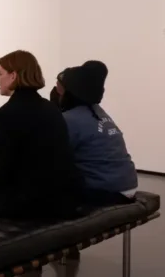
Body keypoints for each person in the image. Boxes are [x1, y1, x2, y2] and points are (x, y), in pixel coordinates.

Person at [0, 50, 82, 220]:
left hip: (31, 205)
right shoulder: (51, 109)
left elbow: (0, 169)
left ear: (13, 76)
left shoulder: (4, 115)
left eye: (0, 73)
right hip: (64, 200)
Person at [55, 60, 138, 206]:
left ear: (69, 92)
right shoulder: (98, 112)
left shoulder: (70, 119)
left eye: (59, 90)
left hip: (107, 191)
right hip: (128, 184)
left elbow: (55, 156)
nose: (57, 94)